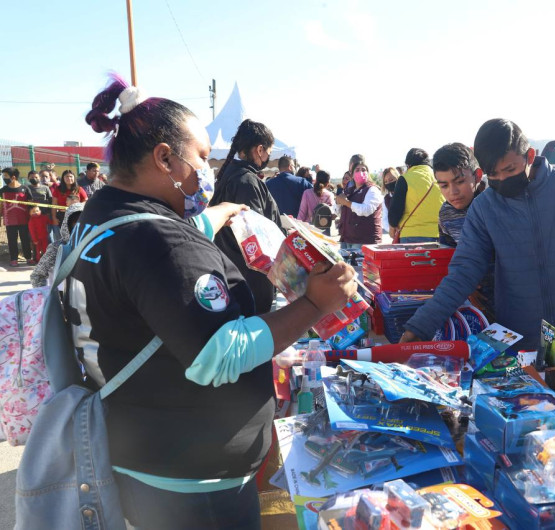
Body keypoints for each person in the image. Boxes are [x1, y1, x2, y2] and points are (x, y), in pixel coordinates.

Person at [75, 77, 356, 529]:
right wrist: (315, 305)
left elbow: (156, 274)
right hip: (193, 479)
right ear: (165, 158)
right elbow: (220, 352)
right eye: (203, 157)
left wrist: (220, 213)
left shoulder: (102, 217)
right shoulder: (156, 239)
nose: (209, 168)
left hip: (143, 452)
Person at [401, 119, 555, 367]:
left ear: (530, 155)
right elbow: (463, 272)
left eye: (510, 170)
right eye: (494, 174)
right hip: (516, 343)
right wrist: (421, 326)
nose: (502, 179)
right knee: (529, 403)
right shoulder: (485, 208)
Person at [209, 118, 284, 314]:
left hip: (233, 274)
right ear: (260, 150)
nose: (268, 156)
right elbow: (257, 236)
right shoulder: (246, 182)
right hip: (251, 282)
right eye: (268, 151)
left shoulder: (231, 177)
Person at [433, 142, 495, 320]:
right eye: (444, 186)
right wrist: (467, 286)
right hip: (476, 300)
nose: (453, 192)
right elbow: (450, 254)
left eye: (460, 182)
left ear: (477, 175)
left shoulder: (496, 202)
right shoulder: (445, 213)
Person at [388, 148, 444, 243]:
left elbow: (395, 210)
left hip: (411, 235)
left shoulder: (405, 178)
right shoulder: (440, 177)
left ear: (408, 165)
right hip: (440, 235)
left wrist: (392, 225)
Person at [30, 202, 84, 288]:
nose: (79, 225)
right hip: (61, 297)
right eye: (75, 221)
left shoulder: (94, 246)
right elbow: (37, 275)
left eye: (83, 221)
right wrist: (46, 295)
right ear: (67, 223)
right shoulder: (57, 248)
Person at [335, 158, 383, 249]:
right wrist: (338, 203)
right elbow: (340, 212)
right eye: (357, 170)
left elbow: (366, 210)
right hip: (347, 239)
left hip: (364, 240)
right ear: (352, 175)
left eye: (363, 170)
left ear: (368, 174)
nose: (361, 172)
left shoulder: (372, 189)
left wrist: (346, 202)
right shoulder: (349, 191)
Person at [1, 167, 33, 266]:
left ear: (13, 177)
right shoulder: (3, 190)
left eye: (5, 176)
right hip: (9, 221)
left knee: (25, 239)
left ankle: (28, 258)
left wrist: (32, 217)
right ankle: (13, 259)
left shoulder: (25, 188)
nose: (4, 178)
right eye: (3, 176)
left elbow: (31, 204)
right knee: (12, 240)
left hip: (24, 220)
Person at [298, 169, 335, 234]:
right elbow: (332, 215)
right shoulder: (330, 195)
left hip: (309, 230)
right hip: (324, 230)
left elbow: (302, 213)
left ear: (316, 180)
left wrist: (297, 227)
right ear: (328, 182)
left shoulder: (307, 193)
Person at [381, 167, 399, 233]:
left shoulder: (407, 193)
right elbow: (384, 219)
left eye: (391, 180)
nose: (388, 183)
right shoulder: (386, 199)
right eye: (385, 182)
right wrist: (391, 230)